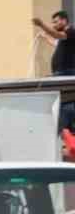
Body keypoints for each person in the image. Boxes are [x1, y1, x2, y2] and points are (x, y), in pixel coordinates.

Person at [34, 11, 75, 140]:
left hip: (67, 73)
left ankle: (63, 130)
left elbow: (58, 35)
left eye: (56, 22)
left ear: (64, 21)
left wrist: (41, 25)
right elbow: (56, 42)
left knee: (65, 103)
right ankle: (63, 130)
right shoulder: (66, 38)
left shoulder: (71, 31)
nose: (54, 24)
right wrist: (45, 37)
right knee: (61, 103)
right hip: (61, 74)